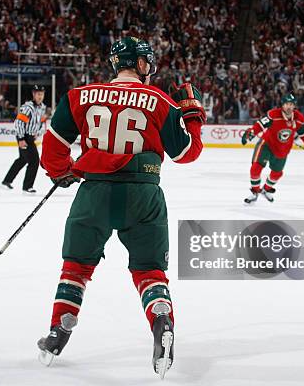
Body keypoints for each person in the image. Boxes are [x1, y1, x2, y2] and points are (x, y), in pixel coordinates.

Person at [37, 37, 205, 378]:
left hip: (93, 194)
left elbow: (52, 149)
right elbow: (187, 154)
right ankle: (160, 319)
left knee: (76, 268)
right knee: (149, 272)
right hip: (143, 195)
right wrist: (193, 117)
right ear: (140, 64)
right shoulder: (159, 100)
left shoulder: (79, 96)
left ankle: (59, 331)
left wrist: (64, 172)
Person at [241, 94, 304, 203]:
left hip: (282, 149)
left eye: (291, 104)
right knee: (255, 169)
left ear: (294, 106)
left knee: (277, 173)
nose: (289, 107)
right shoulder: (273, 115)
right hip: (266, 145)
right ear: (282, 105)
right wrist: (251, 133)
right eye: (286, 104)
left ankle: (266, 189)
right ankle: (255, 192)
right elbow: (260, 125)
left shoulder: (299, 119)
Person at [1, 85, 46, 193]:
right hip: (24, 137)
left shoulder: (42, 107)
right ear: (33, 94)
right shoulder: (27, 107)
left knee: (23, 159)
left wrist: (38, 133)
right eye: (38, 94)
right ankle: (27, 187)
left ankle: (6, 181)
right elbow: (19, 123)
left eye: (42, 94)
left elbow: (41, 123)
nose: (40, 96)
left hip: (30, 137)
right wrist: (21, 138)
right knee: (34, 161)